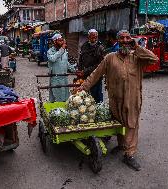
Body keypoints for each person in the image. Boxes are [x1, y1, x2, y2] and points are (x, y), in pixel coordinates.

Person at [79, 30, 159, 171]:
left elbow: (154, 59)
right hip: (115, 100)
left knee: (132, 125)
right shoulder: (110, 58)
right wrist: (83, 87)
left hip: (132, 99)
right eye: (121, 38)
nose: (125, 40)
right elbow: (96, 74)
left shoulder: (137, 57)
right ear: (117, 40)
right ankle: (122, 145)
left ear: (131, 40)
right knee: (119, 124)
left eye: (128, 38)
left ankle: (129, 154)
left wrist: (137, 47)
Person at [78, 29, 105, 103]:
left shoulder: (100, 48)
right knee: (85, 94)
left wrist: (85, 71)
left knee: (96, 95)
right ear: (88, 37)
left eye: (96, 37)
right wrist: (80, 70)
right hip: (85, 75)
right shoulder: (84, 46)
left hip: (96, 75)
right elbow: (80, 59)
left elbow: (100, 65)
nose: (94, 39)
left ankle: (98, 109)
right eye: (92, 37)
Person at [47, 33, 75, 102]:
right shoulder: (50, 51)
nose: (62, 42)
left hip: (64, 78)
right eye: (60, 40)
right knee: (57, 98)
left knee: (65, 98)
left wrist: (74, 70)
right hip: (56, 78)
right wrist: (61, 50)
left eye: (62, 40)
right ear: (54, 42)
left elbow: (66, 62)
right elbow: (53, 59)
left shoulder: (64, 51)